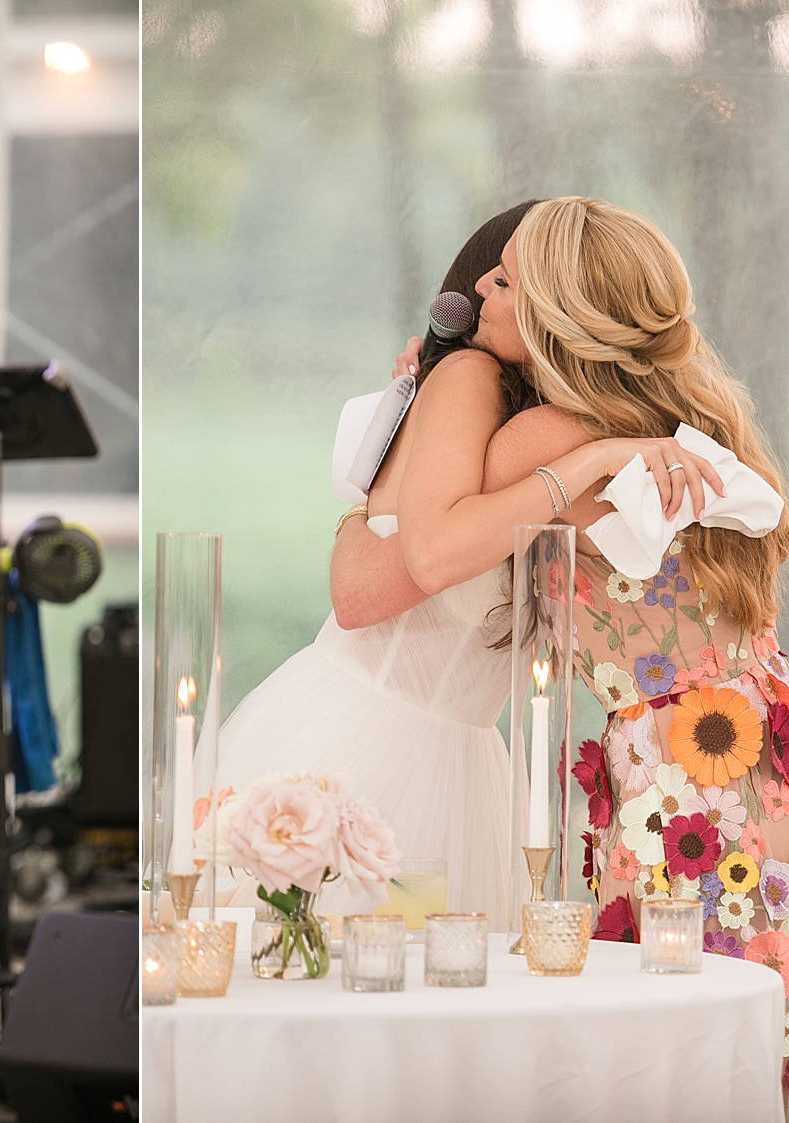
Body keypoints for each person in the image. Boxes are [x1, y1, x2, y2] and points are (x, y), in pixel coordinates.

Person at [340, 196, 789, 1121]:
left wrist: (421, 411)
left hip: (681, 769)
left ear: (553, 307)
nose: (478, 292)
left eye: (506, 278)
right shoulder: (696, 415)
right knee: (770, 1004)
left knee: (676, 1029)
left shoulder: (546, 436)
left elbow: (406, 552)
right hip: (767, 752)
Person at [212, 202, 545, 925]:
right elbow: (360, 592)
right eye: (494, 276)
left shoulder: (518, 416)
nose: (490, 290)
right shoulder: (469, 385)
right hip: (374, 736)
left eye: (514, 281)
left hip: (467, 758)